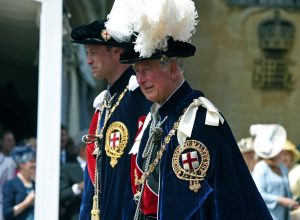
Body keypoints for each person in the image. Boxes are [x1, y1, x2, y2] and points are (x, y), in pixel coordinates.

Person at [105, 0, 273, 218]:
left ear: (173, 69)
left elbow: (198, 205)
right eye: (137, 71)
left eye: (147, 69)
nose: (140, 79)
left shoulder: (199, 121)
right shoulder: (157, 117)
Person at [71, 20, 151, 219]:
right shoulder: (106, 102)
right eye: (87, 53)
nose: (88, 60)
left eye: (93, 52)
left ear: (116, 52)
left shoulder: (138, 98)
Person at [251, 124, 299, 220]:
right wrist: (281, 200)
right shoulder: (261, 168)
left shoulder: (282, 168)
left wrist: (291, 202)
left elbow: (287, 191)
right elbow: (258, 193)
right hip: (267, 215)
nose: (282, 153)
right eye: (281, 151)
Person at [2, 146, 36, 220]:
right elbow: (7, 213)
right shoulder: (10, 185)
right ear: (22, 164)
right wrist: (27, 202)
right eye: (31, 161)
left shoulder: (36, 185)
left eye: (35, 161)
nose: (34, 165)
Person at [59, 132, 87, 220]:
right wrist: (78, 187)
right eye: (93, 145)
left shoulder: (99, 166)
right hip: (76, 215)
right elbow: (61, 195)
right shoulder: (67, 167)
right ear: (82, 148)